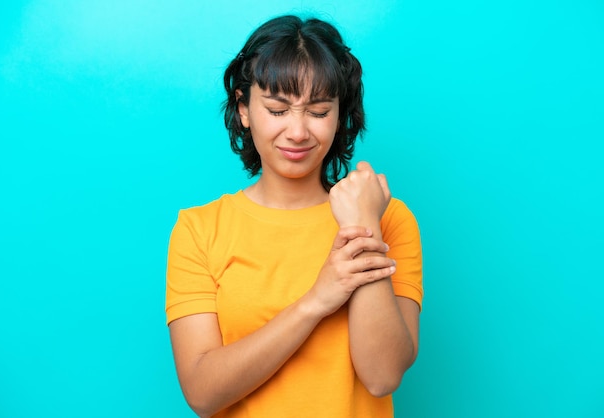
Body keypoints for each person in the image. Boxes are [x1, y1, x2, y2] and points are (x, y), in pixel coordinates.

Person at [165, 14, 423, 418]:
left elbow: (382, 376)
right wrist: (316, 301)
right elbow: (201, 391)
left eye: (318, 111)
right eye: (278, 109)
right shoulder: (200, 230)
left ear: (340, 117)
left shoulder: (387, 217)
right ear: (244, 109)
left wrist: (363, 225)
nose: (299, 131)